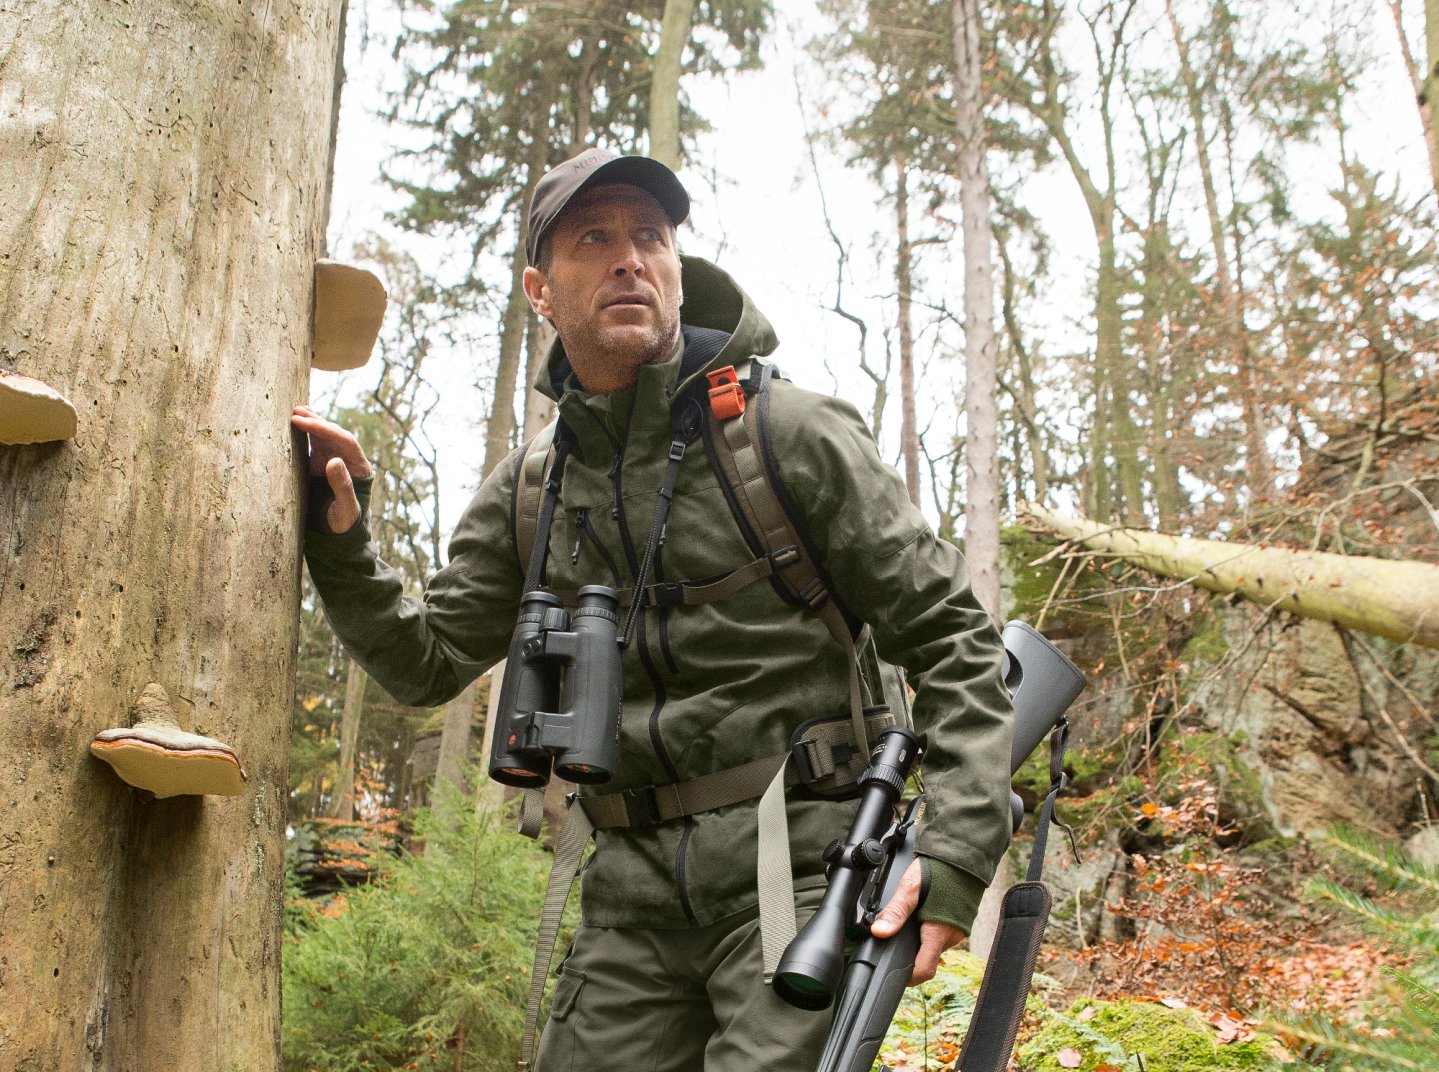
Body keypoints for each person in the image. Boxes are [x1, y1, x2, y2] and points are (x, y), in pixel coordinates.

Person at [292, 148, 1014, 1070]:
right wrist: (339, 537)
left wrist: (952, 853)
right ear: (539, 290)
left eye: (650, 236)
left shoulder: (790, 435)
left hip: (800, 873)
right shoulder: (531, 490)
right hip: (625, 897)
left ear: (676, 263)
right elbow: (424, 661)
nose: (629, 259)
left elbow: (954, 637)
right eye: (593, 239)